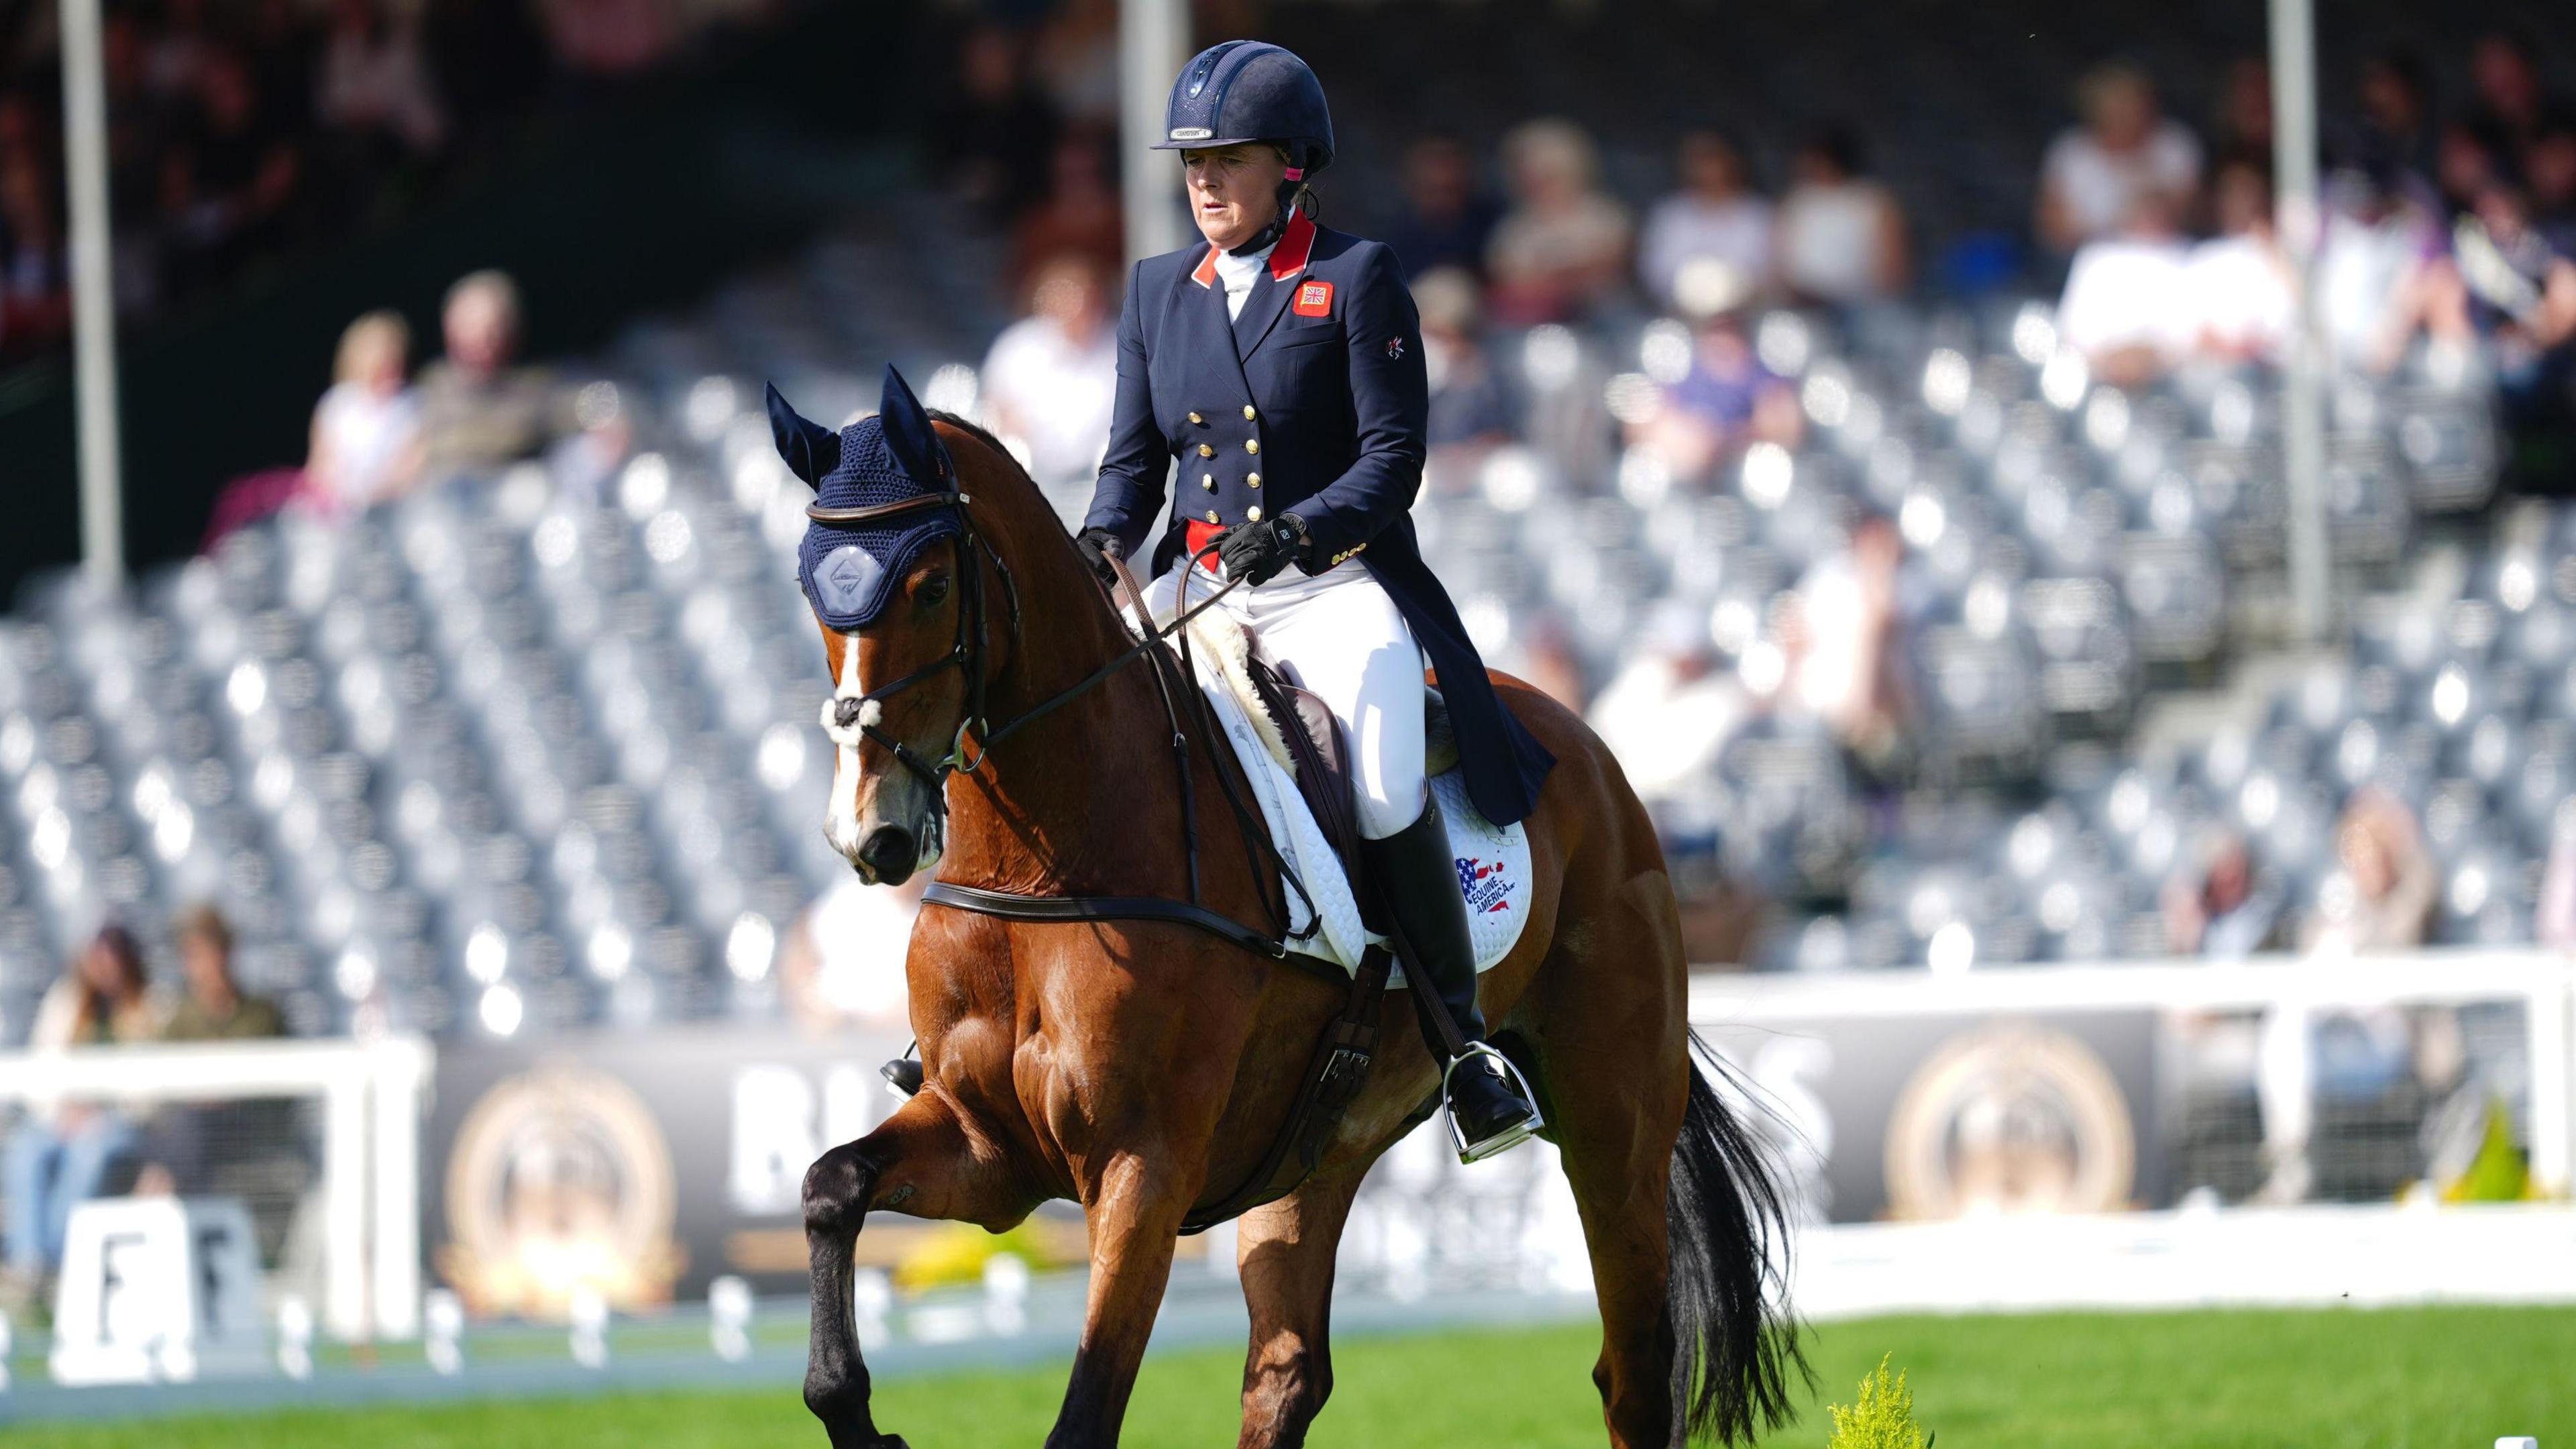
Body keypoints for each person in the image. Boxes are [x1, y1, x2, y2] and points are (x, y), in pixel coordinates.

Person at [1075, 41, 1550, 1161]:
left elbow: (1393, 461)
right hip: (1200, 595)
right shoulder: (1155, 292)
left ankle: (1463, 1048)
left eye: (1226, 158)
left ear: (1290, 163)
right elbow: (1133, 463)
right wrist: (1103, 540)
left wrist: (1296, 529)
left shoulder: (1357, 275)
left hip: (1331, 588)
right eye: (1192, 160)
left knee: (1383, 790)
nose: (1202, 180)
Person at [2, 927, 156, 1283]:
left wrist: (100, 1113)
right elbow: (44, 1069)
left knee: (87, 1155)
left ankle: (54, 1264)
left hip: (117, 1125)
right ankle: (29, 1261)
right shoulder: (68, 1002)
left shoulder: (147, 1008)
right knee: (25, 1149)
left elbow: (145, 1091)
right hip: (62, 1119)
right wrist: (62, 1111)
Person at [979, 252, 1118, 500]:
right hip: (1029, 480)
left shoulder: (1119, 348)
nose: (1078, 311)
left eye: (1086, 300)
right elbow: (997, 413)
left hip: (1100, 482)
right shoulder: (1016, 347)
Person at [2037, 63, 2202, 255]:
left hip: (2167, 252)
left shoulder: (2175, 143)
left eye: (2132, 102)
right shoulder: (2071, 152)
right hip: (2090, 255)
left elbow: (2191, 215)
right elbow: (2052, 227)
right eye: (2117, 105)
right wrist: (2113, 233)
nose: (2125, 113)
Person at [414, 269, 563, 478]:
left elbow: (578, 410)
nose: (480, 343)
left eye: (491, 333)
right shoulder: (429, 390)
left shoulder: (534, 388)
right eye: (469, 329)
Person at [1485, 117, 1633, 327]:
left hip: (1607, 322)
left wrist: (1550, 278)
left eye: (1548, 173)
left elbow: (1612, 266)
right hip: (1537, 329)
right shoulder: (1512, 232)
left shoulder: (1605, 216)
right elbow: (1512, 287)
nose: (1535, 180)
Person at [1638, 131, 1774, 315]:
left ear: (1732, 161)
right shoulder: (1669, 214)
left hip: (1747, 313)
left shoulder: (1757, 214)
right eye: (1696, 160)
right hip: (1681, 314)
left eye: (1711, 158)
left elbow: (1766, 271)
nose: (1704, 168)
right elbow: (1657, 273)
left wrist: (1734, 293)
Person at [303, 308, 423, 513]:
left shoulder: (416, 405)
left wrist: (370, 500)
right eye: (377, 351)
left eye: (394, 350)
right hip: (338, 513)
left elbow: (410, 471)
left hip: (394, 510)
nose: (387, 359)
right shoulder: (335, 405)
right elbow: (319, 469)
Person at [1774, 126, 1908, 306]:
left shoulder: (1872, 200)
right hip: (1807, 304)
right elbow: (1781, 261)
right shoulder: (1797, 202)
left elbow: (1894, 265)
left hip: (1862, 302)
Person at [2184, 156, 2295, 363]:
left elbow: (2298, 310)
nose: (2241, 201)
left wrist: (2272, 249)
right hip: (2219, 370)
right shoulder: (2203, 256)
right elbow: (2191, 328)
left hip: (2276, 366)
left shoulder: (2285, 251)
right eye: (2232, 192)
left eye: (2248, 191)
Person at [1383, 135, 1501, 282]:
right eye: (1432, 189)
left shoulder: (1500, 229)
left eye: (1449, 190)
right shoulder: (1391, 243)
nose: (1441, 175)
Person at [2162, 830, 2287, 958]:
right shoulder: (2200, 919)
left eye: (2235, 867)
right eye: (2223, 868)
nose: (2228, 876)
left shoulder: (2263, 916)